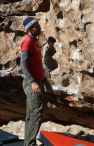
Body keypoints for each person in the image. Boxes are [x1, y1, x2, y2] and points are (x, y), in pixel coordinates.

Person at [20, 16, 53, 146]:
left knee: (31, 114)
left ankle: (28, 142)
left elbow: (38, 65)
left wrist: (45, 81)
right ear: (30, 29)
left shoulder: (36, 41)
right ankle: (30, 143)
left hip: (39, 81)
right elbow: (23, 65)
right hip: (32, 83)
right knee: (37, 113)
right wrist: (33, 82)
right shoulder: (27, 42)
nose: (39, 28)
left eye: (39, 26)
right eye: (36, 27)